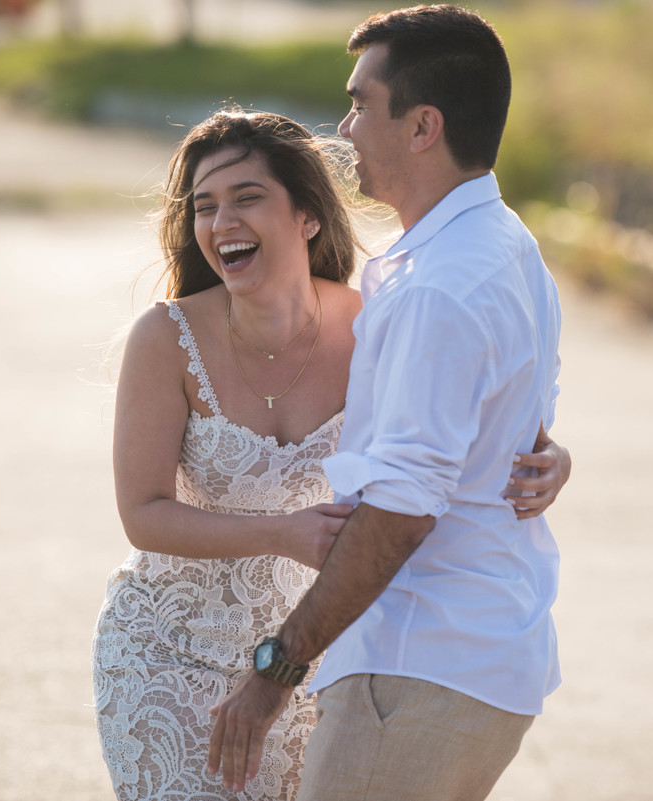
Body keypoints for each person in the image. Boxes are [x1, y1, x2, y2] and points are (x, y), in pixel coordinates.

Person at [92, 109, 569, 801]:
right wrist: (280, 531)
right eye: (205, 206)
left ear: (307, 216)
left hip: (312, 656)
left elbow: (464, 420)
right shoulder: (164, 338)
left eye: (247, 199)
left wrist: (551, 457)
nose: (221, 222)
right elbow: (142, 513)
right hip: (163, 649)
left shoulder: (378, 317)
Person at [207, 6, 567, 801]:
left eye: (362, 104)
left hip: (417, 666)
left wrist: (277, 667)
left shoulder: (438, 286)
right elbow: (519, 414)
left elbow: (400, 511)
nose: (344, 126)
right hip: (479, 657)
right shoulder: (504, 243)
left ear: (422, 126)